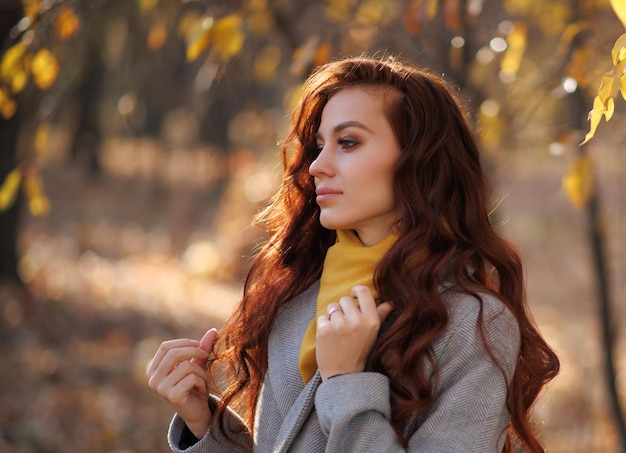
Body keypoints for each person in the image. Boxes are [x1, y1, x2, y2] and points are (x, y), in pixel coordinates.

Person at [147, 55, 559, 452]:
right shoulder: (298, 291)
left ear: (419, 160)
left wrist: (347, 382)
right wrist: (205, 425)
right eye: (318, 145)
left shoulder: (472, 323)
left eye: (347, 142)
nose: (316, 166)